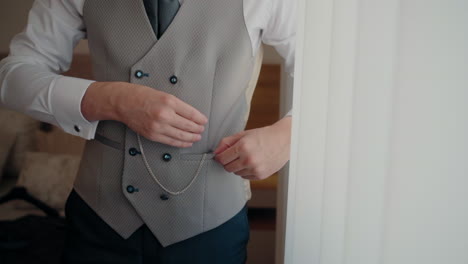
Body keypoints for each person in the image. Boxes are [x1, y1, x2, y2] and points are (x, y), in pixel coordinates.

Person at [0, 0, 295, 263]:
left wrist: (288, 136)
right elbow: (13, 76)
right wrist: (111, 100)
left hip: (210, 226)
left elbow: (334, 72)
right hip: (98, 222)